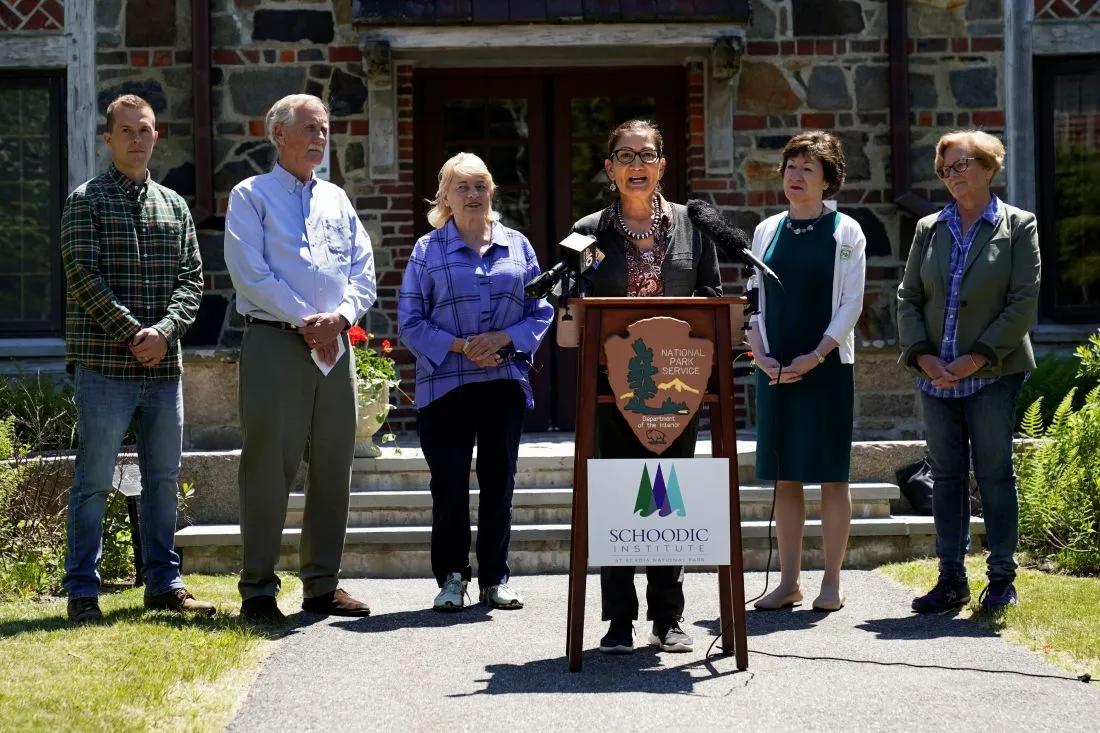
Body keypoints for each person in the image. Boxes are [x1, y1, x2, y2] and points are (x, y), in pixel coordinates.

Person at [559, 120, 722, 654]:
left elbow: (712, 296)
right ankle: (618, 621)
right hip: (612, 390)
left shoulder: (694, 227)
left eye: (646, 155)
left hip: (678, 385)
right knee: (617, 501)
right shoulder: (586, 232)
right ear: (609, 168)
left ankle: (668, 618)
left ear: (662, 166)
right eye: (625, 156)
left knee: (667, 500)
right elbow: (571, 314)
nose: (636, 165)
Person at [60, 94, 213, 622]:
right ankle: (82, 589)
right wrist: (135, 333)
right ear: (108, 138)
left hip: (163, 369)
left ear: (156, 135)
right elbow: (83, 277)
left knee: (164, 479)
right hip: (105, 367)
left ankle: (163, 583)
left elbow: (193, 281)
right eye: (125, 130)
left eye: (144, 129)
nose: (135, 138)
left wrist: (165, 333)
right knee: (94, 479)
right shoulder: (86, 200)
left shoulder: (175, 205)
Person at [224, 94, 376, 621]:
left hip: (335, 345)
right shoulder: (251, 195)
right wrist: (304, 320)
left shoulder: (337, 199)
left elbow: (363, 271)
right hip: (274, 342)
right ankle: (259, 590)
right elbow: (250, 273)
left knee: (334, 465)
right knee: (269, 466)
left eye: (325, 128)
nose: (320, 137)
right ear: (279, 135)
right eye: (309, 128)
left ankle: (322, 584)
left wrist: (341, 318)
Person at [398, 153, 553, 612]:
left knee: (499, 482)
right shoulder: (428, 250)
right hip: (445, 385)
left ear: (492, 192)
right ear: (444, 195)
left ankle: (495, 579)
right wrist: (463, 346)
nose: (472, 195)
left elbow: (541, 311)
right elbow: (410, 321)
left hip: (502, 380)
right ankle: (451, 578)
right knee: (448, 485)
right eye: (461, 186)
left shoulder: (518, 246)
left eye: (480, 185)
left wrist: (504, 338)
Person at [897, 130, 1040, 614]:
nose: (952, 176)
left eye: (961, 165)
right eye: (945, 169)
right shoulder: (929, 228)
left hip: (993, 374)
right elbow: (908, 298)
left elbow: (1022, 303)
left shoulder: (1019, 225)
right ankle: (951, 579)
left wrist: (975, 357)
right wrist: (923, 356)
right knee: (948, 476)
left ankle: (1001, 578)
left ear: (988, 166)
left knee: (996, 473)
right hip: (935, 376)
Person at [747, 130, 866, 613]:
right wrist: (761, 354)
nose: (795, 177)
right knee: (785, 477)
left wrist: (815, 356)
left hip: (827, 365)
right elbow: (754, 298)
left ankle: (832, 583)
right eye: (791, 167)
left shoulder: (846, 231)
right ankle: (789, 582)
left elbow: (851, 302)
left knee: (832, 477)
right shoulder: (766, 229)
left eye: (807, 169)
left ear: (828, 179)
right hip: (774, 368)